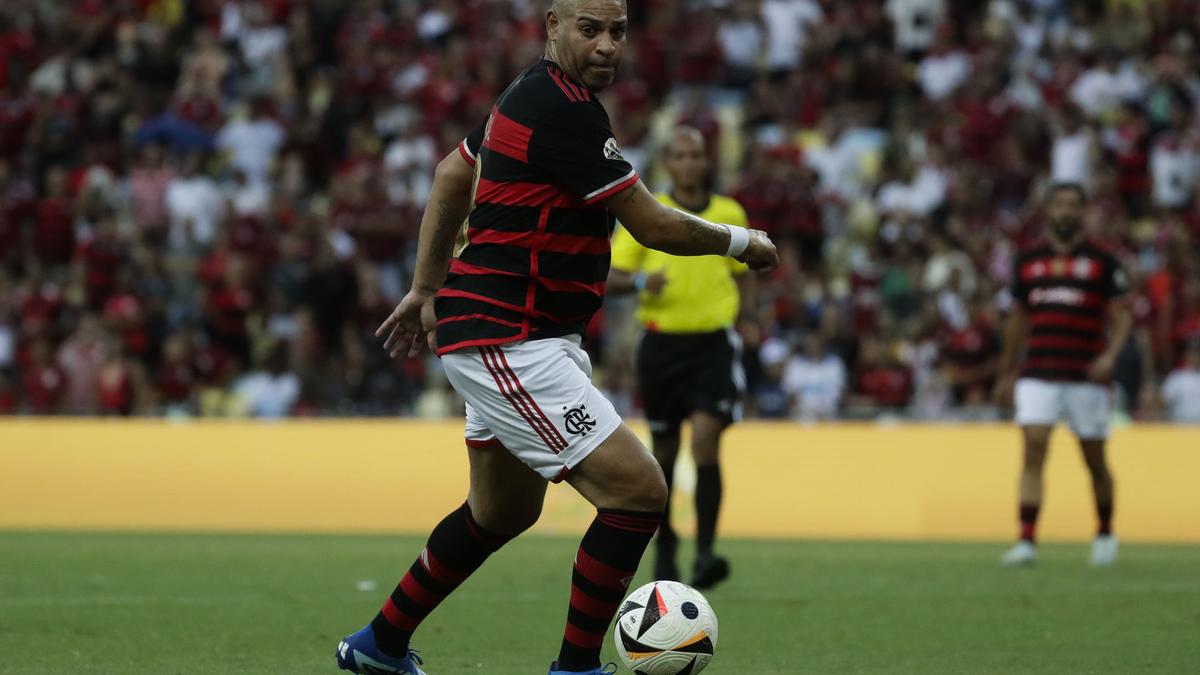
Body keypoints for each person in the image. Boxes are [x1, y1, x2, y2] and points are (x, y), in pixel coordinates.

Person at [336, 2, 779, 674]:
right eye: (590, 29)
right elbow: (653, 226)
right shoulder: (564, 108)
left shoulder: (526, 94)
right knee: (638, 493)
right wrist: (743, 242)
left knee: (500, 511)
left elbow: (455, 173)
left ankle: (380, 643)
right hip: (510, 335)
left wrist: (428, 287)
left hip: (510, 333)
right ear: (552, 26)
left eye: (619, 31)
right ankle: (576, 667)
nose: (607, 45)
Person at [607, 126, 755, 589]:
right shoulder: (649, 212)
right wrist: (638, 284)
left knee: (707, 442)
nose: (688, 163)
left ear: (705, 161)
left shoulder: (729, 211)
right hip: (661, 345)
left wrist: (744, 317)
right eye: (680, 156)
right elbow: (609, 274)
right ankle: (666, 546)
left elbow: (743, 268)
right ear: (668, 163)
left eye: (695, 155)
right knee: (664, 453)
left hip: (712, 344)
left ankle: (707, 552)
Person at [993, 183, 1132, 567]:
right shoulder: (1028, 262)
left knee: (1094, 459)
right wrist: (1007, 372)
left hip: (1084, 374)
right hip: (1038, 370)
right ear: (1049, 211)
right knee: (1033, 449)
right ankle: (1026, 540)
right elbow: (1017, 322)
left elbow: (1123, 316)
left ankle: (1104, 531)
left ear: (1083, 211)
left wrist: (1110, 357)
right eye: (1059, 205)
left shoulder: (1103, 263)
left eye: (1073, 205)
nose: (1065, 212)